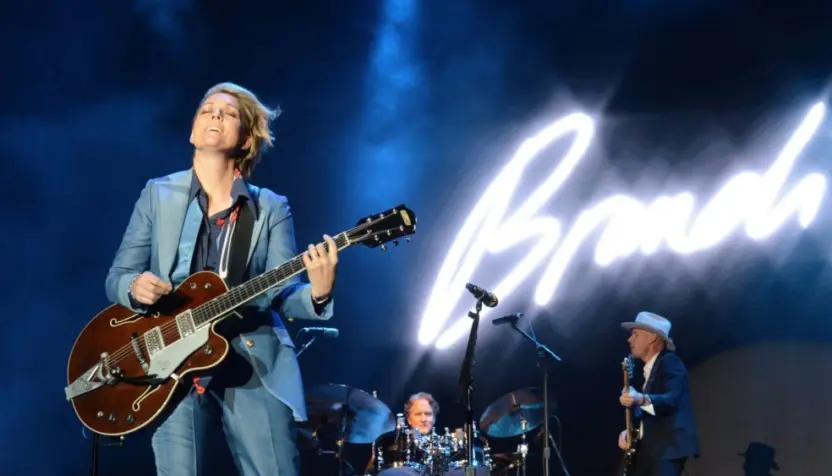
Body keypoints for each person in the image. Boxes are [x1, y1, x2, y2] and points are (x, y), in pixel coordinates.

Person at [105, 82, 338, 476]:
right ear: (193, 131)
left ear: (245, 140)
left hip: (250, 356)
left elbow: (281, 293)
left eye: (228, 113)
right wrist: (133, 287)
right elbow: (117, 275)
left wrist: (319, 291)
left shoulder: (270, 207)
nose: (215, 115)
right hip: (171, 363)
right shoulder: (157, 194)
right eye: (207, 110)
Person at [617, 312, 700, 476]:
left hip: (667, 448)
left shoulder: (670, 362)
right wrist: (632, 431)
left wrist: (639, 398)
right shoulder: (649, 372)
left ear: (653, 338)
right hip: (650, 450)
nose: (629, 340)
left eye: (635, 334)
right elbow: (651, 415)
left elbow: (671, 400)